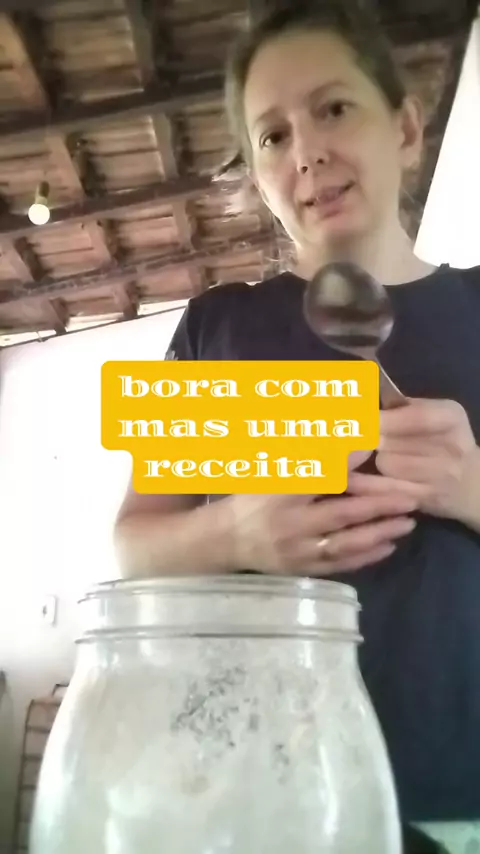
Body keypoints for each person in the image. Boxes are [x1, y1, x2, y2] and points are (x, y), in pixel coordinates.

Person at [114, 0, 480, 843]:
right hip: (258, 796)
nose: (306, 149)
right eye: (273, 135)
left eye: (333, 108)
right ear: (259, 174)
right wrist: (235, 533)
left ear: (406, 130)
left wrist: (473, 486)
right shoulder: (219, 328)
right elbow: (133, 548)